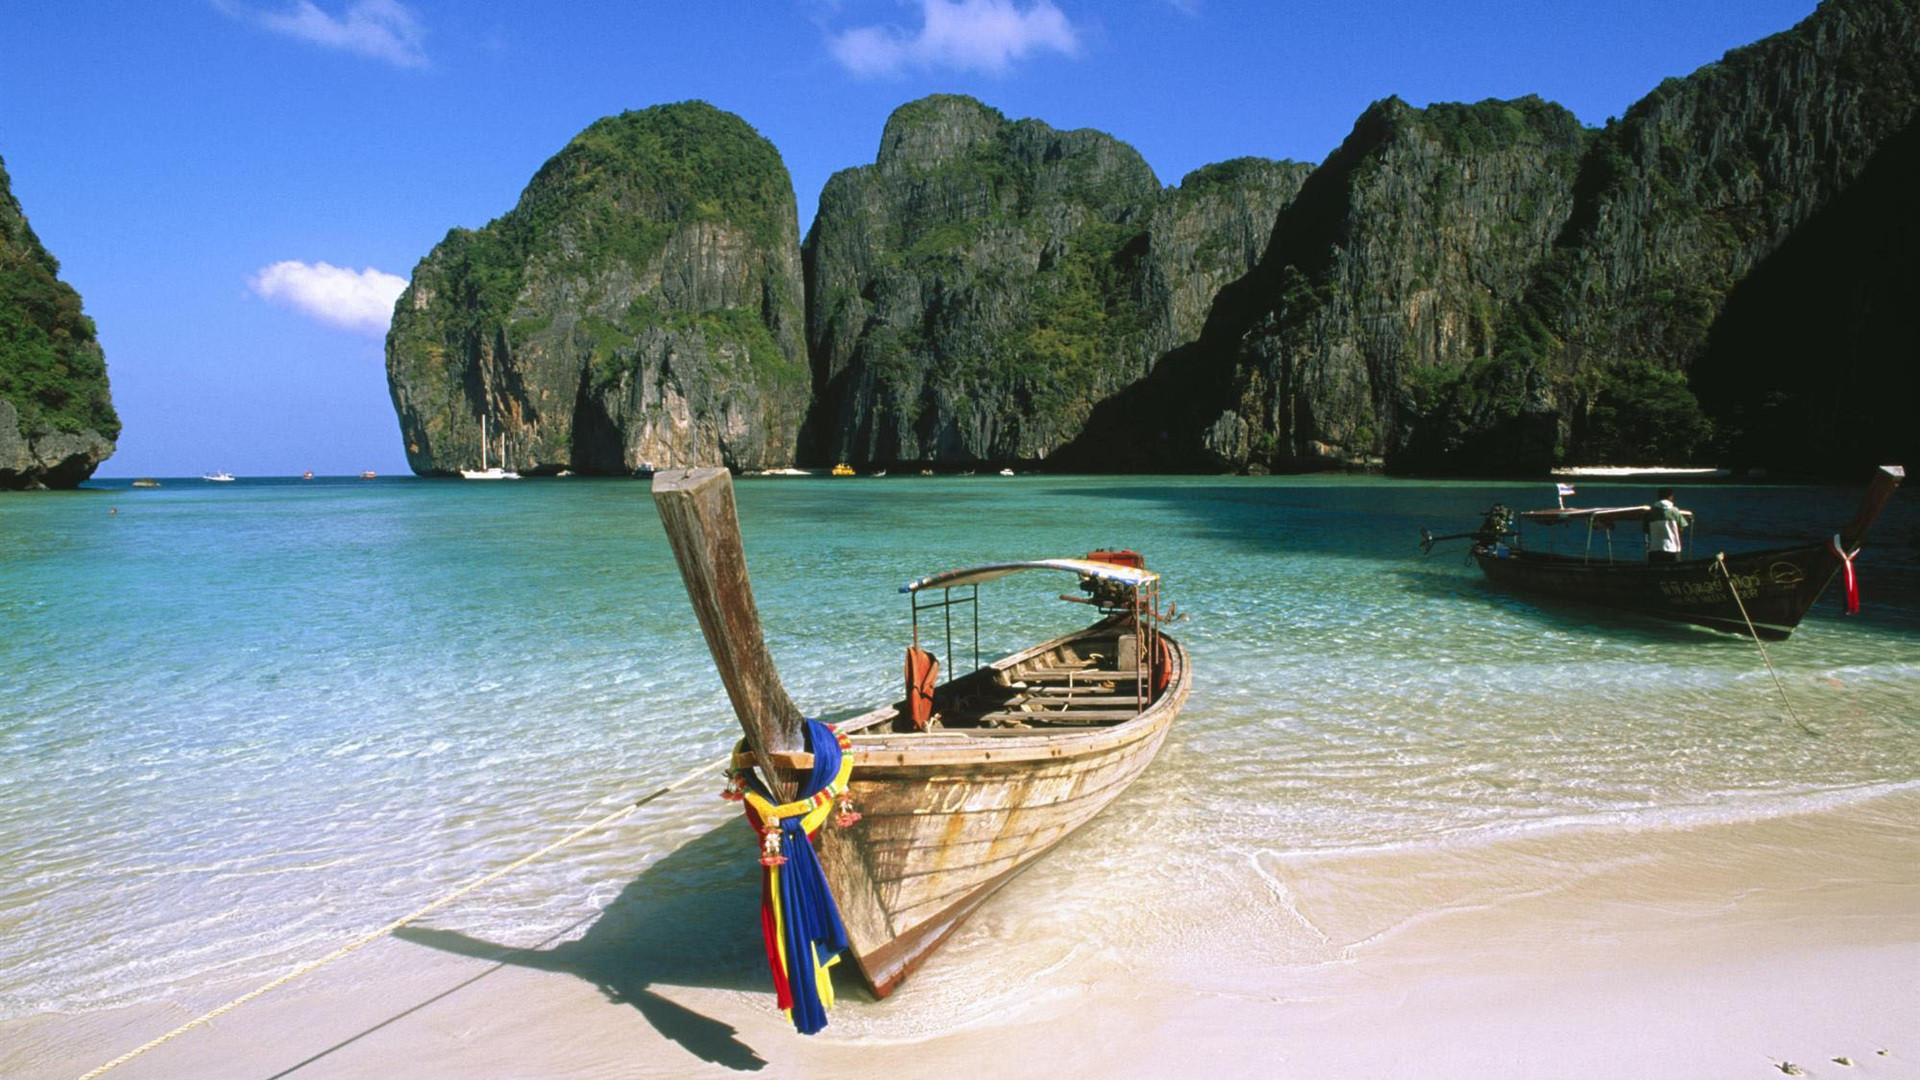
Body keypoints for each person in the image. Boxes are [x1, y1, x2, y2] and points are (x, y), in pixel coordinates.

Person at [1647, 487, 1693, 563]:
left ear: (1658, 497)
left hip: (1654, 549)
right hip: (1672, 549)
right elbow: (1682, 527)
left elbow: (1646, 529)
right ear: (1670, 496)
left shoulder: (1650, 513)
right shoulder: (1674, 511)